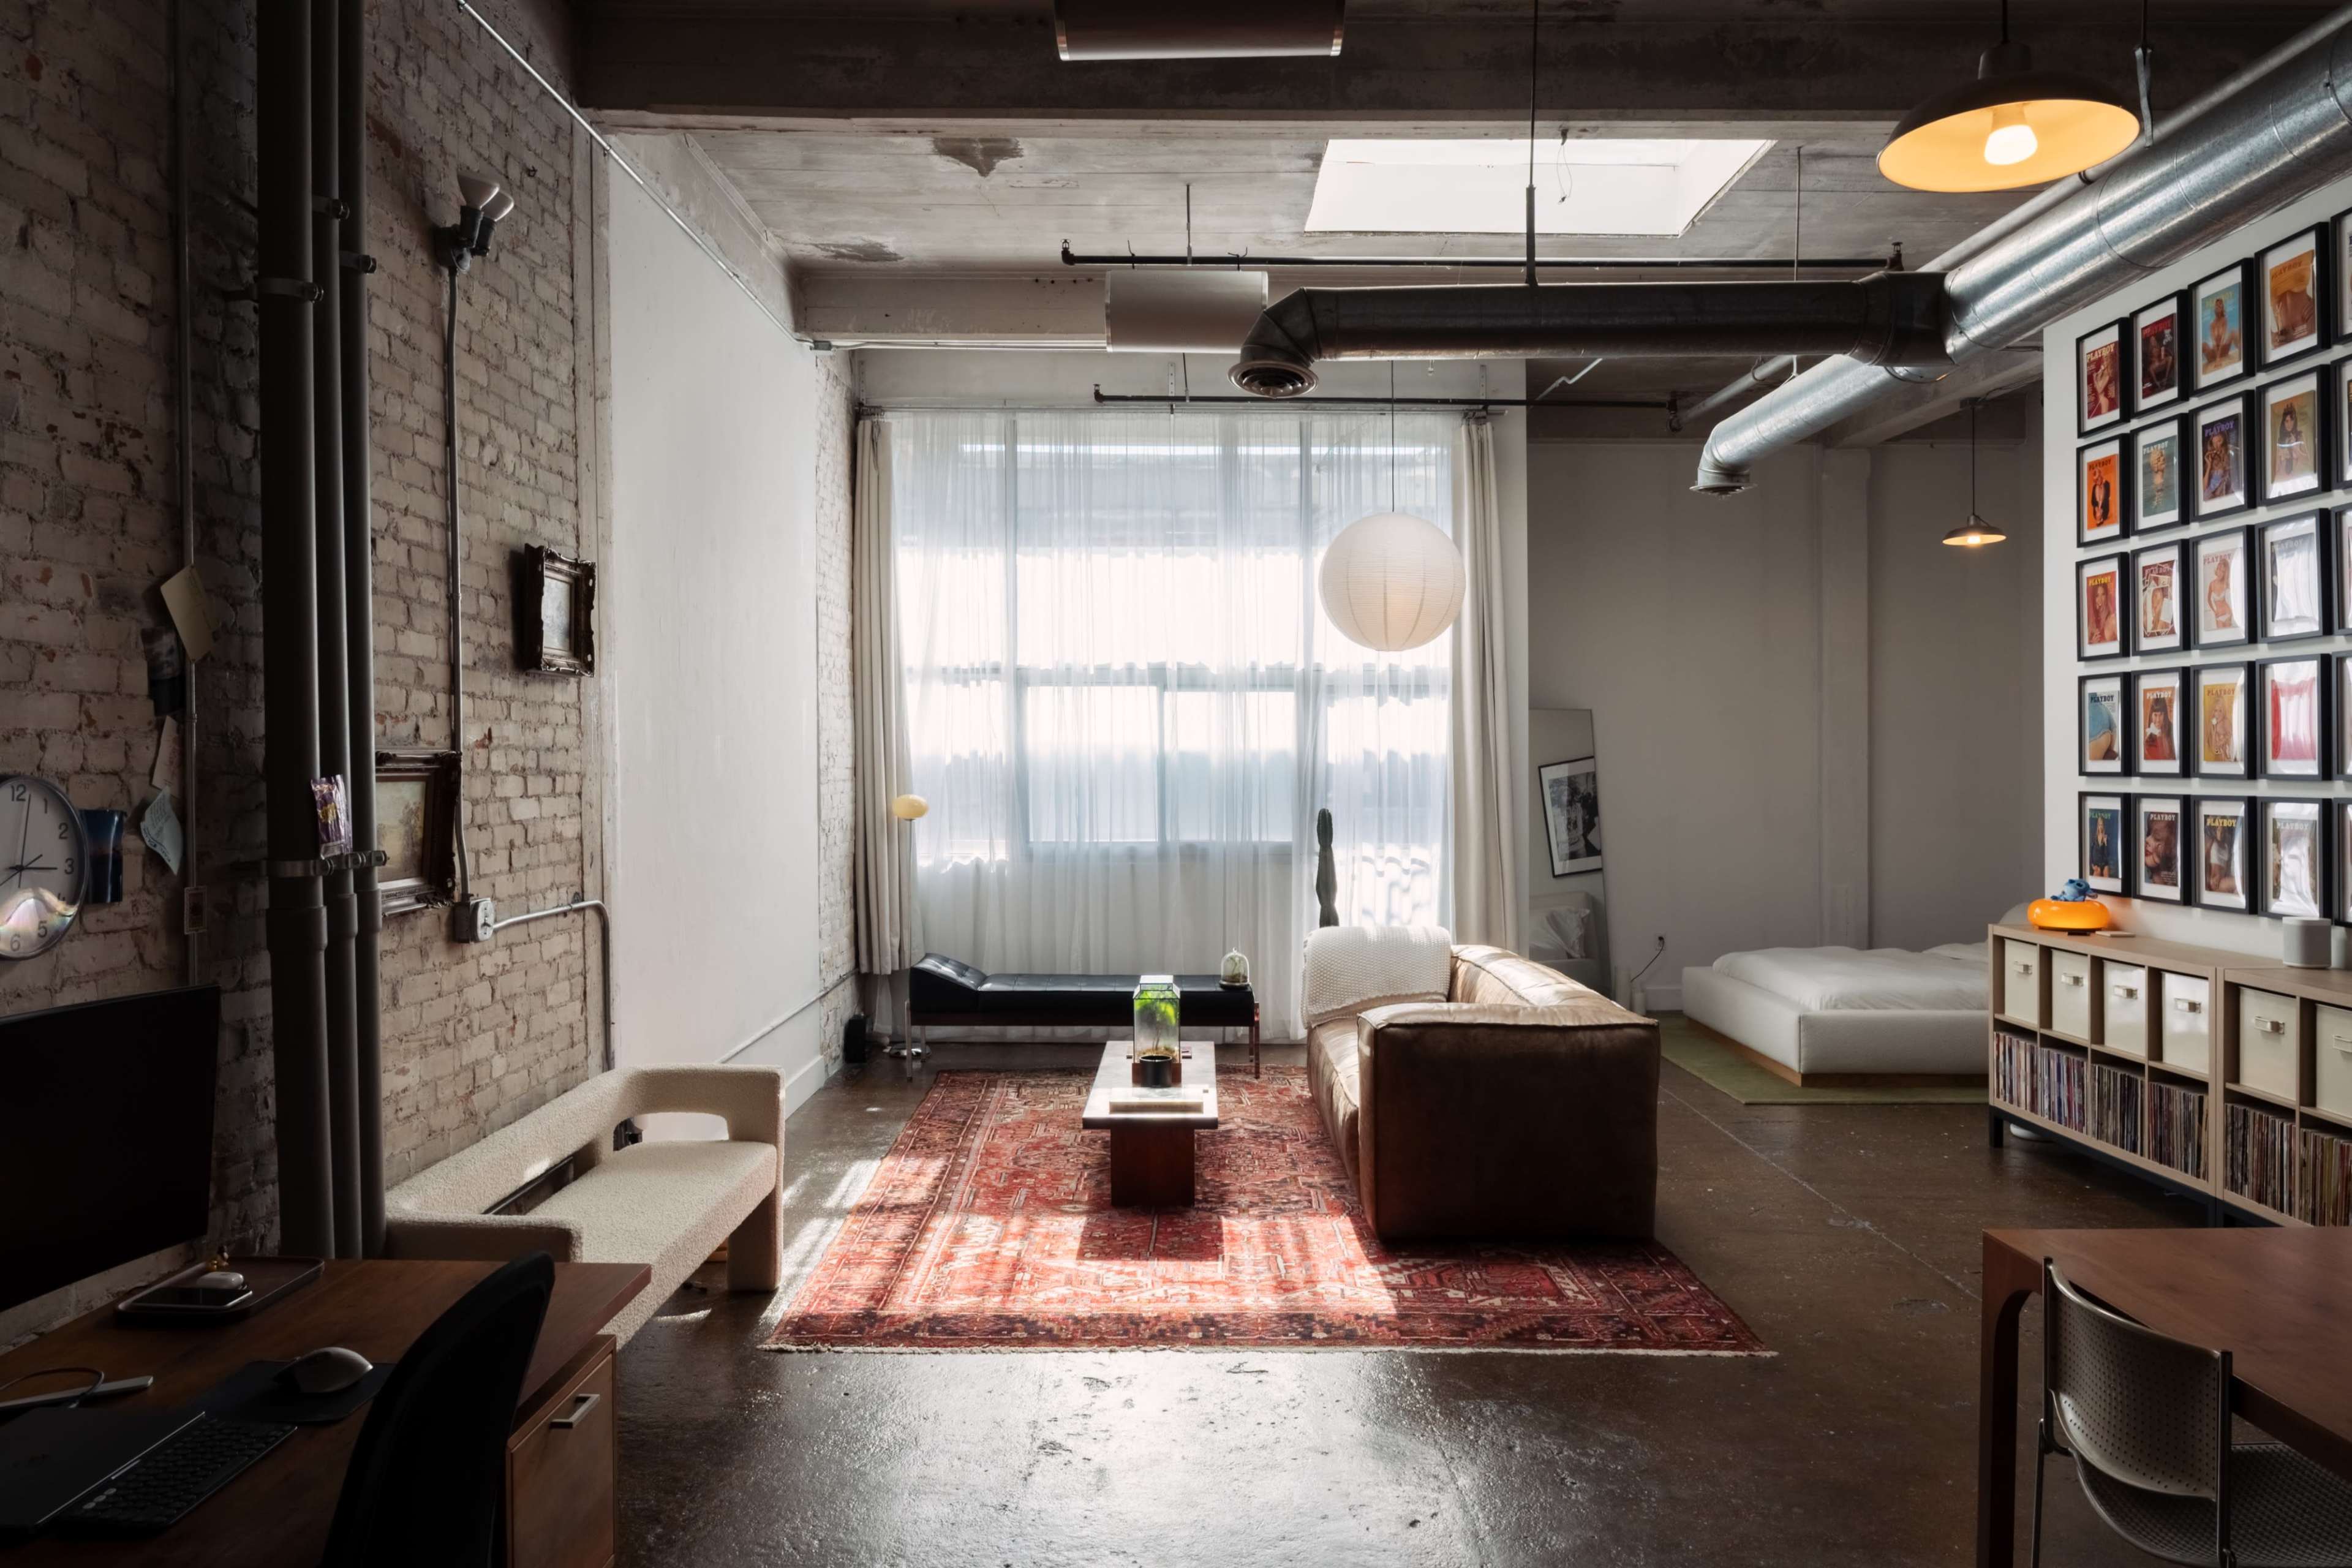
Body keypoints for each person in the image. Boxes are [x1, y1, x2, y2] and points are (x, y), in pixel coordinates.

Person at [2203, 293, 2241, 373]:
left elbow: (2223, 339)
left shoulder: (2224, 320)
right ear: (2215, 308)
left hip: (2223, 350)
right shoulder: (2212, 324)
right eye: (2217, 305)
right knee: (2203, 345)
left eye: (2220, 306)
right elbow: (2214, 343)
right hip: (2214, 353)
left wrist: (2219, 358)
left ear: (2222, 308)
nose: (2218, 307)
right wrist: (2217, 359)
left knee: (2234, 332)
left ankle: (2242, 351)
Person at [2275, 403, 2311, 481]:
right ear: (2283, 423)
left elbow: (2308, 461)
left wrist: (2296, 448)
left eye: (2292, 420)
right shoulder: (2280, 441)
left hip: (2299, 479)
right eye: (2287, 421)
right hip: (2284, 480)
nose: (2290, 424)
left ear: (2295, 421)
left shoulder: (2300, 436)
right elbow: (2277, 466)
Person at [2203, 424, 2237, 499]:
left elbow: (2232, 485)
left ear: (2224, 441)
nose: (2216, 446)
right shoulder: (2211, 459)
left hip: (2222, 497)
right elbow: (2204, 488)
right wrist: (2209, 466)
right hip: (2208, 497)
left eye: (2219, 441)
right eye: (2214, 443)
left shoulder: (2231, 456)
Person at [2143, 692, 2174, 761]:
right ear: (2151, 715)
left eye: (2161, 715)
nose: (2158, 720)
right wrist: (2158, 736)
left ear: (2165, 715)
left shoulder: (2173, 731)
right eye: (2155, 715)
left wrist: (2160, 737)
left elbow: (2169, 757)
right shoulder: (2148, 739)